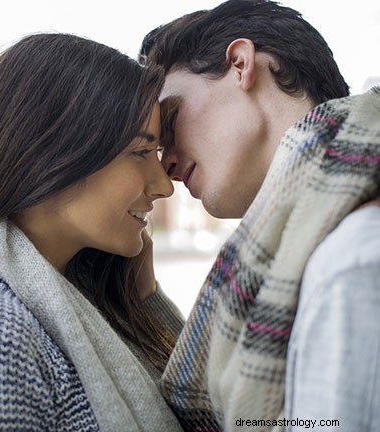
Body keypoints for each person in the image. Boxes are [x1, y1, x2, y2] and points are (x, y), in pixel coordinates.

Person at [0, 33, 185, 432]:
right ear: (52, 154)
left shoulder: (86, 296)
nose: (164, 185)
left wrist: (146, 300)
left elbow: (211, 415)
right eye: (141, 152)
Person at [140, 0, 380, 431]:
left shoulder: (353, 259)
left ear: (240, 63)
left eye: (171, 124)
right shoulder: (301, 255)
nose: (166, 167)